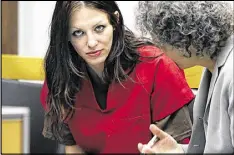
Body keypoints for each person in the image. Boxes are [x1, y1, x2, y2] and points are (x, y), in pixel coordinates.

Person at [40, 1, 195, 154]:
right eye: (78, 33)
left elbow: (177, 146)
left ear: (115, 21)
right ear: (65, 35)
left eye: (99, 28)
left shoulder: (156, 65)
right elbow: (73, 146)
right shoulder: (60, 76)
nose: (92, 43)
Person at [135, 1, 233, 153]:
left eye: (162, 41)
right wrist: (179, 151)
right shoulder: (212, 67)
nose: (161, 50)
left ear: (185, 35)